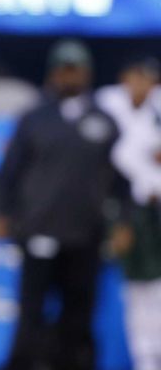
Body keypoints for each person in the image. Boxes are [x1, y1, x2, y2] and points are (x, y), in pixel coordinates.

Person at [0, 39, 122, 370]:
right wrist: (0, 211)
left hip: (86, 233)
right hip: (39, 228)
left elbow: (120, 178)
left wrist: (123, 221)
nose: (69, 77)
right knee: (31, 309)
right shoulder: (33, 118)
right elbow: (10, 171)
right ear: (53, 73)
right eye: (64, 70)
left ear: (87, 74)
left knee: (80, 312)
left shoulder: (105, 121)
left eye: (75, 70)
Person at [96, 56, 161, 370]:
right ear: (126, 78)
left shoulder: (157, 107)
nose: (142, 85)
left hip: (153, 207)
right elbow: (118, 158)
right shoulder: (108, 105)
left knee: (155, 288)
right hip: (126, 208)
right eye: (137, 77)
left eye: (149, 79)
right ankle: (145, 358)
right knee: (137, 288)